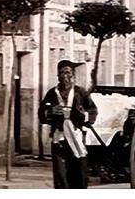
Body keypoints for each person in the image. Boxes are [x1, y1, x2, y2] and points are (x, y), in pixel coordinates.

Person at [38, 59, 98, 189]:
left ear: (73, 75)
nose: (65, 76)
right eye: (62, 73)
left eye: (68, 72)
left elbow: (92, 111)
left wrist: (84, 116)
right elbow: (42, 114)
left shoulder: (80, 92)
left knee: (78, 170)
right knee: (60, 173)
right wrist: (51, 111)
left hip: (76, 136)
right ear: (58, 76)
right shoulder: (52, 93)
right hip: (59, 137)